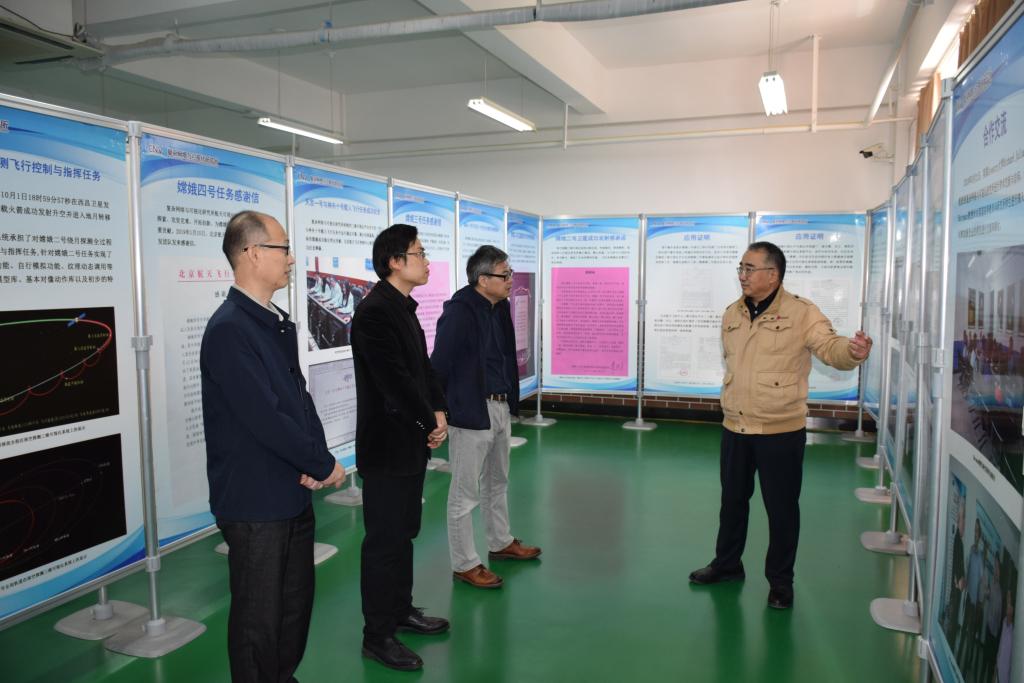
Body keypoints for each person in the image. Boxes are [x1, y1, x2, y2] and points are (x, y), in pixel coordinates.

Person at [201, 210, 345, 682]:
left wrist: (314, 458)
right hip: (255, 501)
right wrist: (320, 463)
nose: (291, 259)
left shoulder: (271, 322)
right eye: (283, 249)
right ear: (252, 253)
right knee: (257, 620)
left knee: (292, 607)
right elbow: (264, 417)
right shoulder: (230, 329)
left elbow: (297, 399)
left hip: (289, 490)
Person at [688, 241, 872, 610]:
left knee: (782, 509)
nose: (743, 275)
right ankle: (727, 564)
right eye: (741, 268)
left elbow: (829, 346)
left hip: (780, 431)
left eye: (750, 268)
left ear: (772, 275)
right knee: (732, 502)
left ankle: (781, 582)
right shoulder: (732, 313)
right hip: (736, 427)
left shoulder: (802, 313)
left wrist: (851, 353)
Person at [350, 223, 450, 672]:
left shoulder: (403, 307)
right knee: (384, 542)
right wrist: (428, 421)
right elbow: (393, 383)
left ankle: (400, 610)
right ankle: (377, 636)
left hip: (410, 442)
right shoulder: (374, 313)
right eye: (419, 253)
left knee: (404, 534)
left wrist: (439, 411)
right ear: (395, 261)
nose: (426, 261)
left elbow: (422, 371)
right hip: (387, 448)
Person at [431, 245, 541, 590]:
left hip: (499, 407)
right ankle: (465, 563)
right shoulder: (459, 313)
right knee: (465, 492)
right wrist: (440, 410)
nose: (510, 280)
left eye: (510, 273)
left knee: (498, 481)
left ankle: (500, 541)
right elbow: (439, 365)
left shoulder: (499, 307)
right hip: (471, 411)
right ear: (483, 280)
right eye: (504, 274)